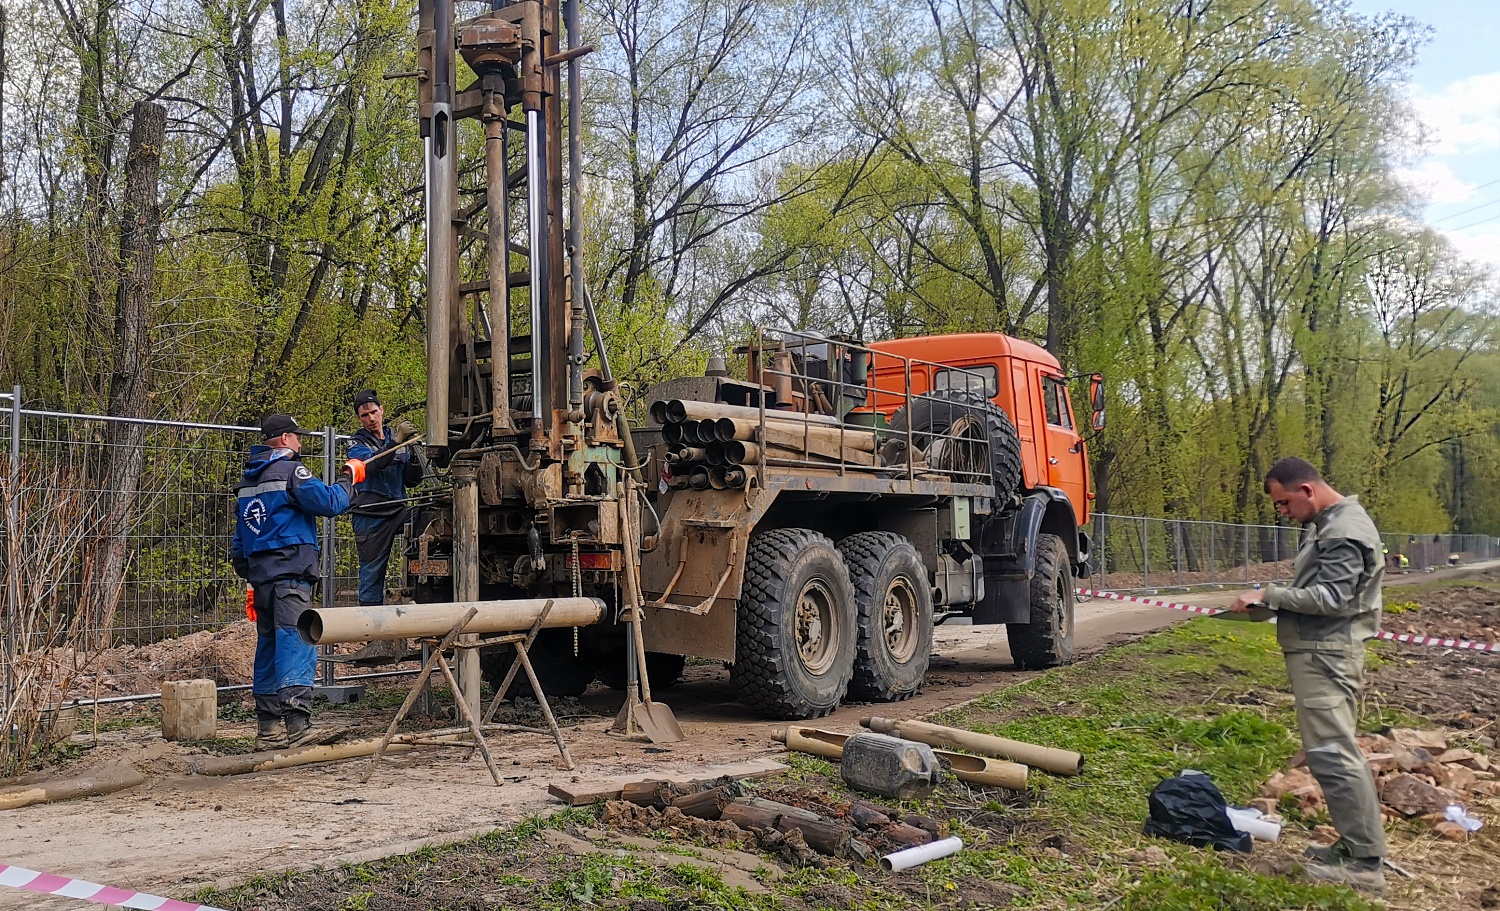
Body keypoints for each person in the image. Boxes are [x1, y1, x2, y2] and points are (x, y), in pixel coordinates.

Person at [1229, 457, 1387, 892]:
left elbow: (1332, 598)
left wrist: (1270, 594)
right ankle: (1354, 845)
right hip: (1320, 651)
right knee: (1331, 752)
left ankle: (1365, 863)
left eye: (1283, 503)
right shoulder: (1331, 525)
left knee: (1334, 755)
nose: (1282, 512)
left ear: (1307, 491)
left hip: (1327, 654)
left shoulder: (1342, 530)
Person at [232, 414, 364, 750]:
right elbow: (331, 502)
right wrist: (351, 476)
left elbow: (240, 542)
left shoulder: (248, 481)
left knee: (269, 647)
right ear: (286, 438)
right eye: (298, 437)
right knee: (296, 642)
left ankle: (268, 729)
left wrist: (252, 574)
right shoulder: (292, 472)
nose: (301, 443)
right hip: (290, 576)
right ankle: (298, 725)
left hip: (261, 580)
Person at [347, 389, 423, 609]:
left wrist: (414, 455)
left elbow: (411, 481)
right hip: (371, 516)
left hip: (397, 510)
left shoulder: (394, 437)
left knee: (429, 517)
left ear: (382, 410)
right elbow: (375, 464)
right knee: (371, 573)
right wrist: (398, 442)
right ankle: (369, 631)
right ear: (359, 419)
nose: (371, 419)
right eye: (364, 415)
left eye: (373, 412)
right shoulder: (356, 443)